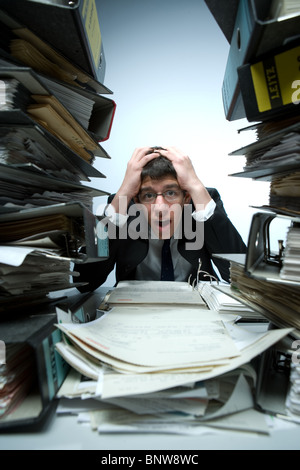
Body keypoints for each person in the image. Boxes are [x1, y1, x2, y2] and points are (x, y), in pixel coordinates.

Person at [75, 146, 246, 291]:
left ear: (186, 197)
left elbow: (243, 280)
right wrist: (124, 193)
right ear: (137, 200)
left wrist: (195, 185)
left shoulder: (200, 204)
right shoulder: (122, 208)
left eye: (170, 193)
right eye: (148, 195)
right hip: (134, 313)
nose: (160, 207)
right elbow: (85, 282)